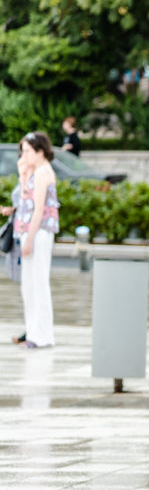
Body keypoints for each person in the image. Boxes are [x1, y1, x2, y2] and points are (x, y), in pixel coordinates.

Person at [10, 132, 60, 349]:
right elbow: (24, 201)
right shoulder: (37, 171)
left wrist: (29, 239)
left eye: (28, 151)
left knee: (36, 284)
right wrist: (23, 175)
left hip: (37, 233)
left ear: (40, 151)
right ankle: (34, 333)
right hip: (33, 231)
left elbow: (38, 209)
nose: (24, 155)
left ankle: (41, 336)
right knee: (30, 285)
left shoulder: (42, 172)